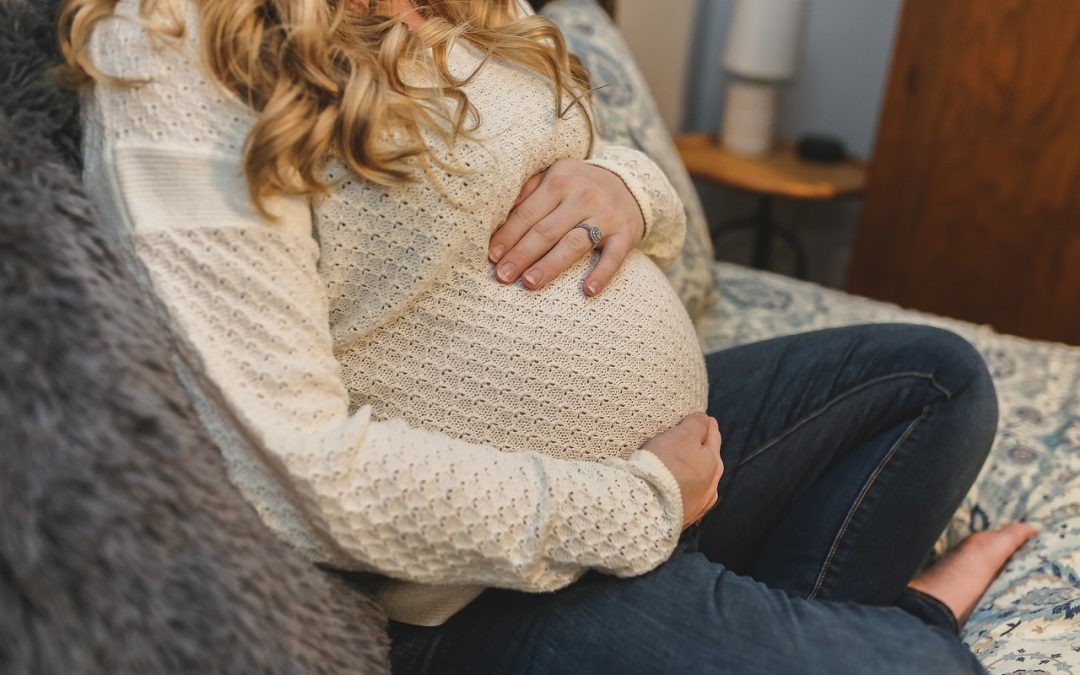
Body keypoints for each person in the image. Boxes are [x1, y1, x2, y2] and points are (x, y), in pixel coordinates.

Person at [59, 0, 1036, 671]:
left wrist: (626, 184)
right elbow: (298, 472)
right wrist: (643, 500)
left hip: (666, 483)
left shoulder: (468, 5)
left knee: (937, 382)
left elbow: (586, 155)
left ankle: (753, 624)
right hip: (475, 591)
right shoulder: (175, 51)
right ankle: (890, 623)